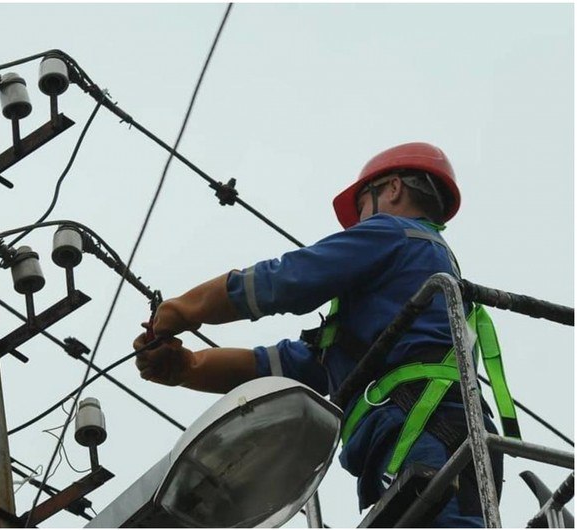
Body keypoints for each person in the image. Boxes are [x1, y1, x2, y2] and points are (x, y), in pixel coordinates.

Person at [133, 142, 513, 527]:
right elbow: (283, 367)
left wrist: (184, 309)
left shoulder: (392, 233)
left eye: (362, 205)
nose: (357, 222)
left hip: (423, 426)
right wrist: (189, 367)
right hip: (433, 432)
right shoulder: (396, 300)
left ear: (393, 188)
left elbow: (286, 280)